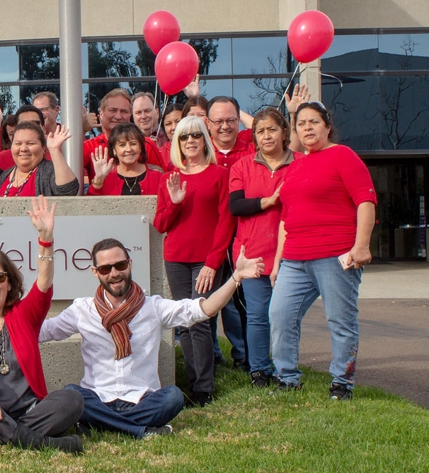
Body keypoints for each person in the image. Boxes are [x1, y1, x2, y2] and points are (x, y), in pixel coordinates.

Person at [40, 237, 264, 438]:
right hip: (98, 398)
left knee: (173, 397)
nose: (114, 273)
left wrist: (236, 277)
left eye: (120, 265)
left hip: (142, 400)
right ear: (95, 272)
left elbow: (204, 309)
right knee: (71, 394)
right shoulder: (82, 309)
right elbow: (43, 331)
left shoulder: (153, 307)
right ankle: (141, 431)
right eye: (106, 268)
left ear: (130, 264)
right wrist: (5, 316)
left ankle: (100, 425)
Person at [0, 197, 85, 452]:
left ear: (9, 283)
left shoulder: (24, 314)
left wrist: (46, 239)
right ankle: (39, 443)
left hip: (29, 411)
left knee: (72, 399)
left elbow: (43, 282)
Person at [269, 102, 376, 400]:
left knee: (340, 321)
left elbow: (365, 201)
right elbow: (285, 217)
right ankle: (286, 378)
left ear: (327, 126)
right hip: (294, 258)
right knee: (279, 315)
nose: (307, 128)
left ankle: (342, 382)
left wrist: (362, 245)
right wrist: (278, 261)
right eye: (301, 123)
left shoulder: (343, 155)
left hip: (335, 254)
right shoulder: (297, 164)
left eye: (313, 122)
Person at [153, 116, 236, 406]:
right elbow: (160, 224)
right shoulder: (169, 178)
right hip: (175, 258)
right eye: (183, 137)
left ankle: (204, 389)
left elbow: (227, 221)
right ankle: (192, 383)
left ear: (204, 140)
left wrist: (214, 262)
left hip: (206, 259)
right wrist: (174, 203)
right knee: (183, 323)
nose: (190, 141)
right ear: (177, 143)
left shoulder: (219, 175)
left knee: (199, 320)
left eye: (195, 136)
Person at [229, 108, 302, 387]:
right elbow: (235, 206)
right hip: (253, 253)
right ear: (254, 137)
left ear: (285, 132)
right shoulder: (242, 166)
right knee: (258, 316)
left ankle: (287, 369)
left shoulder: (300, 163)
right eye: (260, 131)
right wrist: (269, 201)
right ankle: (259, 370)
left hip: (293, 251)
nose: (266, 135)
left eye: (272, 129)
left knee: (285, 316)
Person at [82, 88, 169, 179]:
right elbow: (69, 176)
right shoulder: (90, 146)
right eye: (113, 110)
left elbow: (164, 181)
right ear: (101, 113)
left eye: (124, 111)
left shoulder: (146, 144)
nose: (118, 116)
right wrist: (81, 131)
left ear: (130, 115)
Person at [0, 122, 80, 197]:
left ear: (43, 147)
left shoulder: (49, 170)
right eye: (18, 143)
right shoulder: (5, 175)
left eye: (30, 143)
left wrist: (54, 150)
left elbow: (68, 190)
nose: (23, 148)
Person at [87, 122, 164, 196]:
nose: (129, 149)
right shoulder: (106, 177)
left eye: (133, 144)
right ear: (114, 150)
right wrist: (98, 180)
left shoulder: (158, 175)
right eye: (122, 145)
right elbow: (89, 206)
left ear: (140, 147)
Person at [0, 105, 47, 171]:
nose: (30, 128)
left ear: (43, 128)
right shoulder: (2, 159)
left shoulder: (58, 153)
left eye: (35, 124)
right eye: (24, 125)